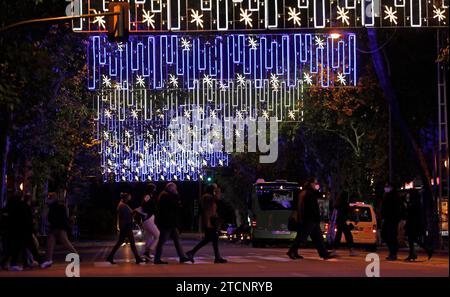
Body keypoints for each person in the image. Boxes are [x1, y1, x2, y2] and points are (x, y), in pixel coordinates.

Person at [287, 177, 334, 260]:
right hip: (310, 219)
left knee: (317, 237)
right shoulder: (309, 193)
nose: (316, 185)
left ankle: (324, 253)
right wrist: (316, 217)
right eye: (315, 183)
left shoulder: (305, 192)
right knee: (303, 237)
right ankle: (292, 251)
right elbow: (311, 208)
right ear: (311, 184)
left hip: (310, 219)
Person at [186, 184, 227, 264]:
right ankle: (192, 252)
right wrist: (208, 222)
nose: (216, 191)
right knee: (209, 239)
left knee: (212, 239)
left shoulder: (208, 197)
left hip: (210, 220)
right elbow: (207, 211)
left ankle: (217, 257)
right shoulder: (208, 197)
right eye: (215, 189)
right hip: (210, 221)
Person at [154, 183, 191, 264]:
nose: (176, 190)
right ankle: (157, 259)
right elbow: (174, 205)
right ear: (171, 189)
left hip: (169, 222)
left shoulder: (164, 195)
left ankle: (182, 257)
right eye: (175, 189)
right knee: (162, 240)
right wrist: (177, 195)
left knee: (176, 239)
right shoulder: (166, 196)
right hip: (167, 222)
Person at [41, 193, 79, 268]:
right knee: (52, 242)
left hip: (57, 227)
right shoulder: (59, 206)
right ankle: (48, 259)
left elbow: (46, 217)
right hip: (58, 227)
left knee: (61, 242)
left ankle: (48, 259)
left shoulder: (53, 207)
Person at [106, 192, 144, 265]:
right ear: (125, 198)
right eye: (129, 198)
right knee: (132, 243)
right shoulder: (123, 206)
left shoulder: (122, 205)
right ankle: (137, 258)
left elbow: (128, 215)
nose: (130, 199)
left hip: (125, 226)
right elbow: (129, 215)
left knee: (120, 242)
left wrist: (135, 211)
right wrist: (136, 210)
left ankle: (110, 257)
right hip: (126, 227)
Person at [403, 189, 433, 261]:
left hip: (413, 224)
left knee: (413, 238)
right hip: (413, 223)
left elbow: (411, 211)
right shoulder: (416, 201)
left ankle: (427, 250)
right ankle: (412, 254)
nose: (408, 195)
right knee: (411, 239)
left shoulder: (415, 202)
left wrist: (406, 205)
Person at [330, 191, 357, 256]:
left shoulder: (338, 203)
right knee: (348, 235)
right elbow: (348, 212)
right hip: (342, 221)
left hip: (339, 221)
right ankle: (351, 250)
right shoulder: (345, 203)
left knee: (339, 236)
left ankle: (334, 250)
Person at [138, 183, 160, 260]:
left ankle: (147, 254)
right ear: (151, 189)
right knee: (158, 235)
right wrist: (148, 212)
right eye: (154, 189)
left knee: (149, 237)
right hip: (148, 218)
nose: (155, 190)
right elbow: (143, 206)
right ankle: (148, 252)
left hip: (148, 218)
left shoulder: (149, 196)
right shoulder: (147, 196)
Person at [22, 194, 44, 268]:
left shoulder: (25, 207)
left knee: (25, 247)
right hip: (27, 230)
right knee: (32, 246)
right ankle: (39, 261)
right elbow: (28, 220)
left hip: (24, 230)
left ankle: (28, 262)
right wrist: (33, 230)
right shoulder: (26, 207)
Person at [380, 182, 401, 261]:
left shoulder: (393, 196)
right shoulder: (387, 195)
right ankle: (392, 252)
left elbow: (393, 209)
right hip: (388, 219)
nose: (386, 188)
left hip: (392, 219)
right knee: (386, 235)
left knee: (391, 236)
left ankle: (393, 253)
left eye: (387, 187)